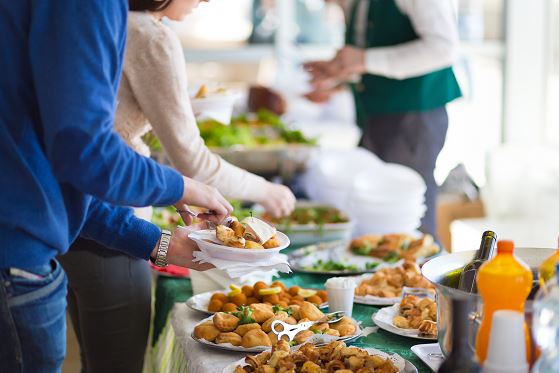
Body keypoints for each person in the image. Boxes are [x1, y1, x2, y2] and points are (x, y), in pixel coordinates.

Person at [59, 0, 296, 371]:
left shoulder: (104, 21)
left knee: (95, 359)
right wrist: (267, 190)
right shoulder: (151, 36)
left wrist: (166, 188)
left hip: (73, 216)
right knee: (116, 365)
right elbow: (191, 161)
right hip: (110, 224)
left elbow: (111, 133)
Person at [0, 1, 233, 372]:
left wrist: (158, 243)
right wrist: (180, 186)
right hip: (15, 262)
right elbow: (85, 153)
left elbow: (56, 169)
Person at [305, 0, 462, 238]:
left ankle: (423, 272)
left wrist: (364, 60)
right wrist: (341, 73)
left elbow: (443, 47)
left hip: (414, 114)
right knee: (375, 210)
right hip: (377, 114)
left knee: (407, 214)